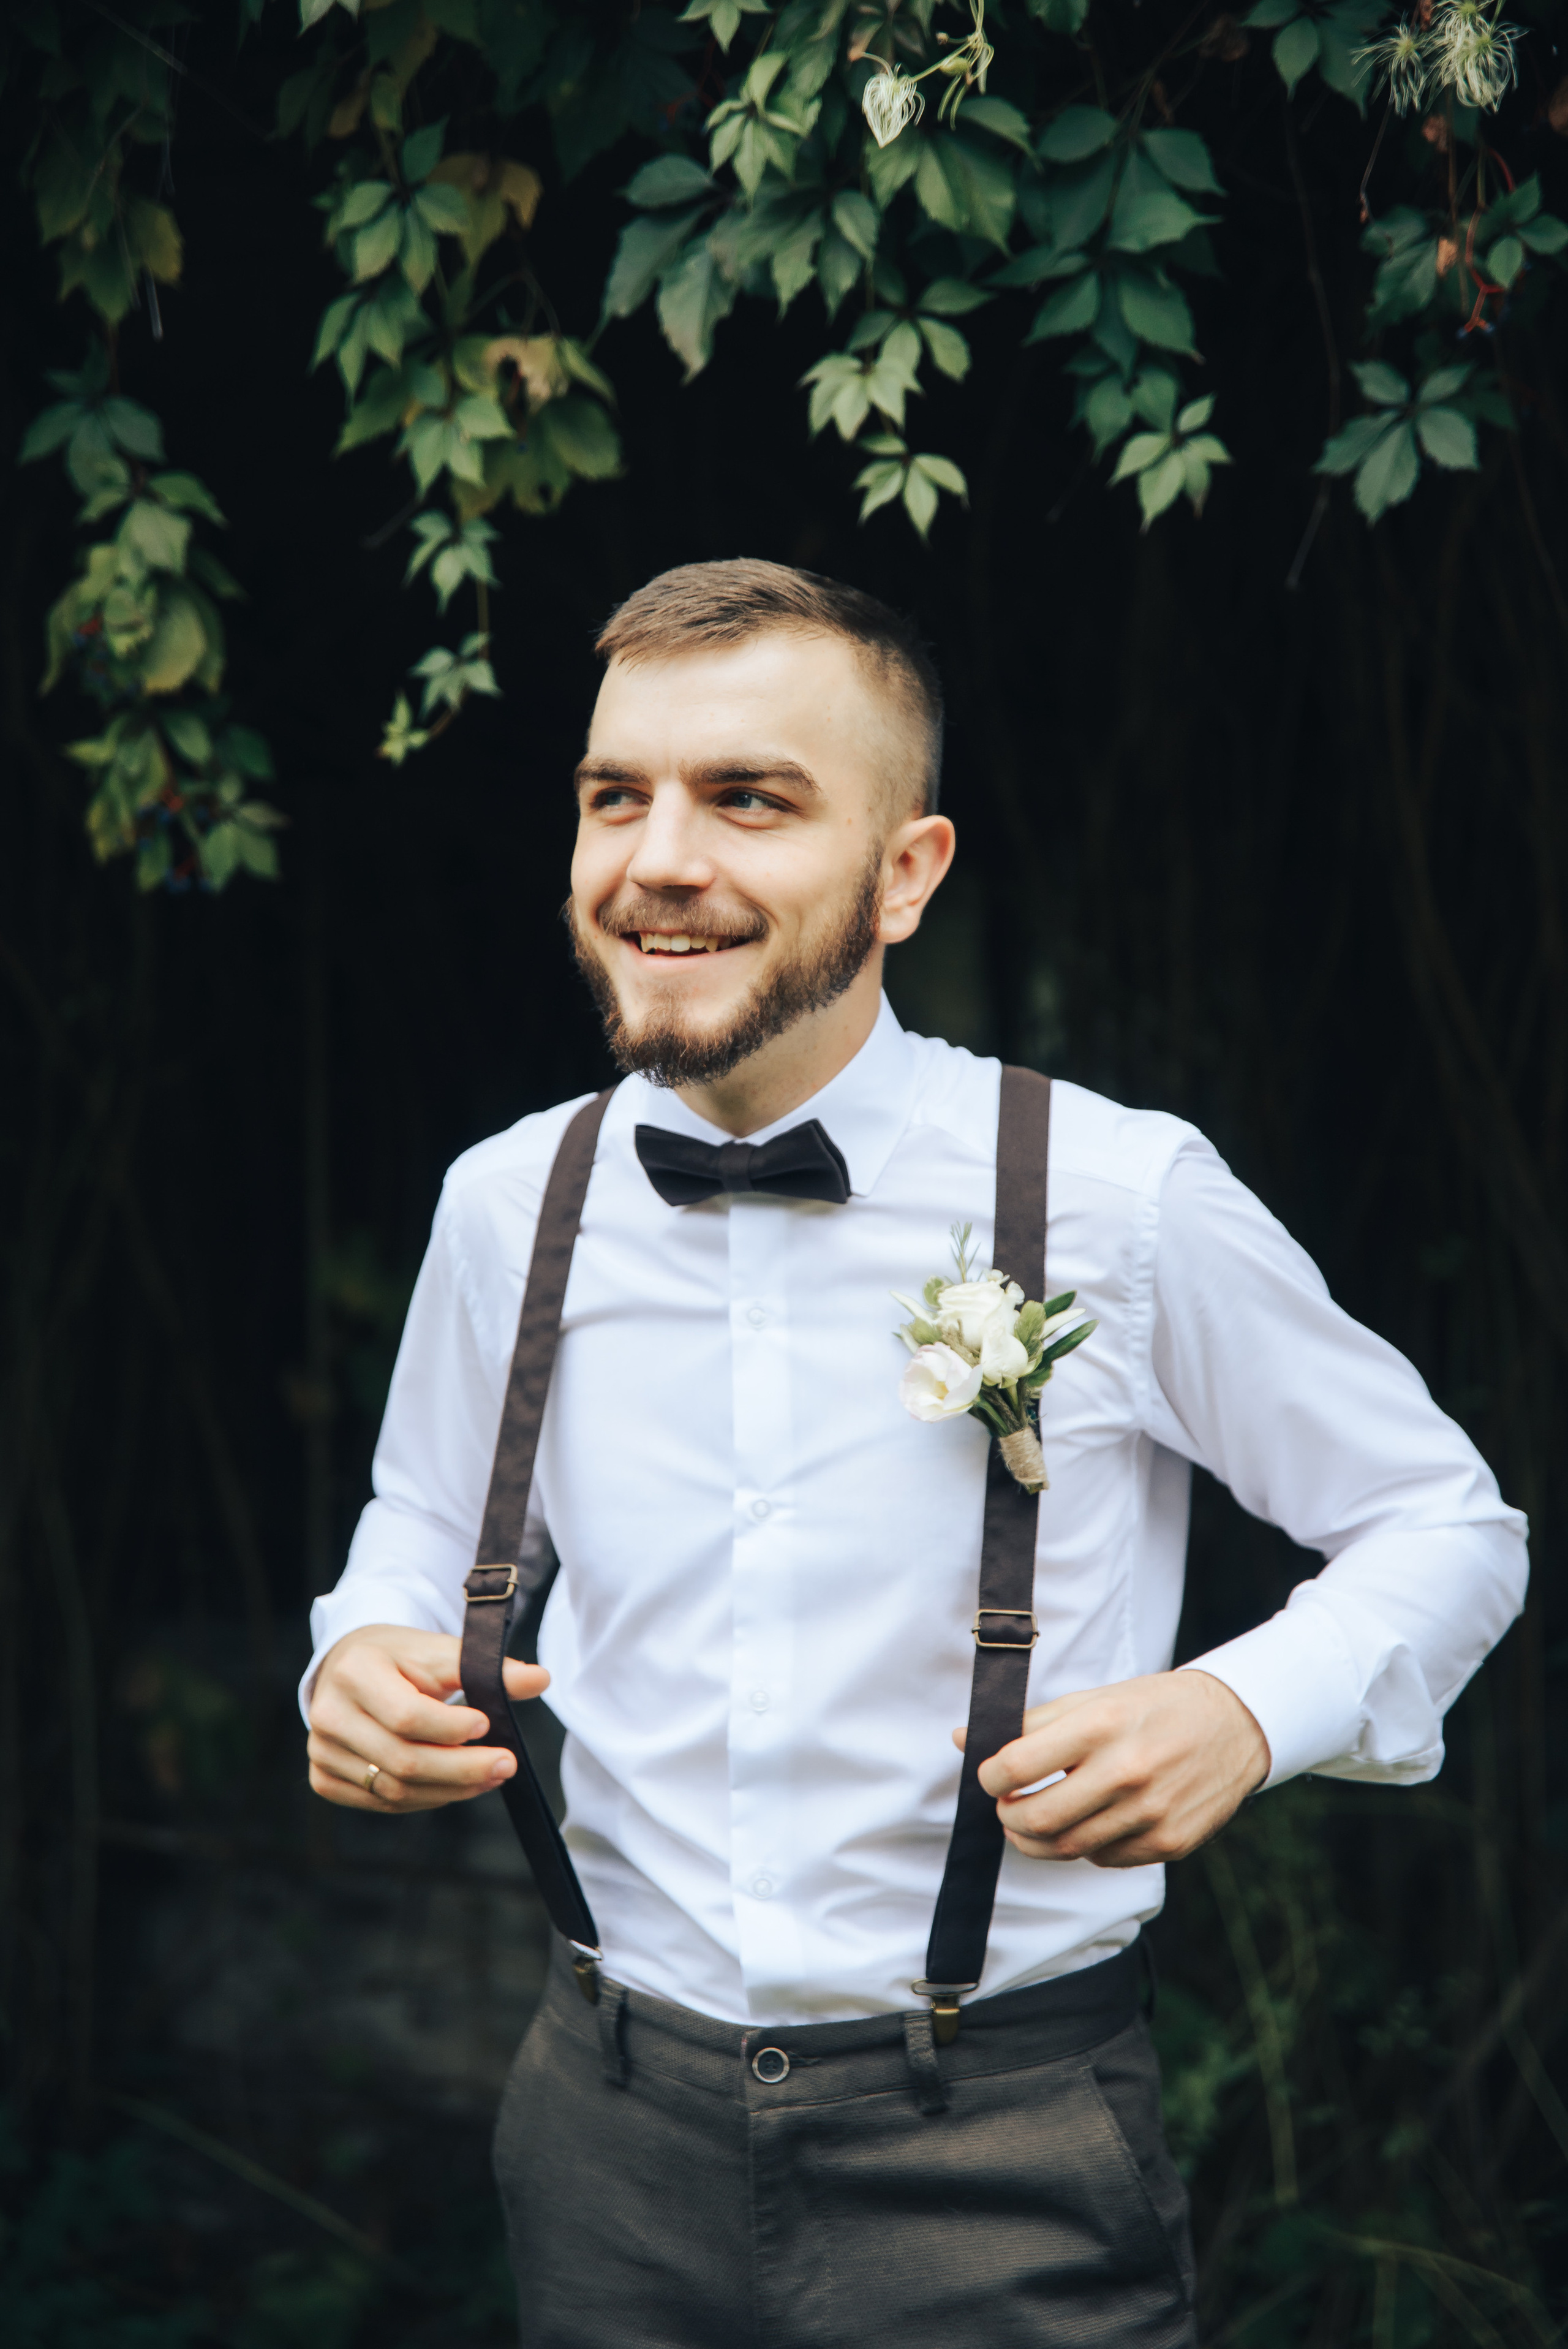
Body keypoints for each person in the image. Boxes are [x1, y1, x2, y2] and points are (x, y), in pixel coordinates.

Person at [301, 559, 1526, 2348]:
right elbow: (419, 1520)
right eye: (613, 795)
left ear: (907, 871)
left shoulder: (1115, 1195)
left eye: (750, 800)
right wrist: (357, 1650)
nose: (658, 856)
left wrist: (1248, 1708)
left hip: (1004, 2140)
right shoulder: (507, 1204)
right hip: (599, 2126)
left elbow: (1446, 1520)